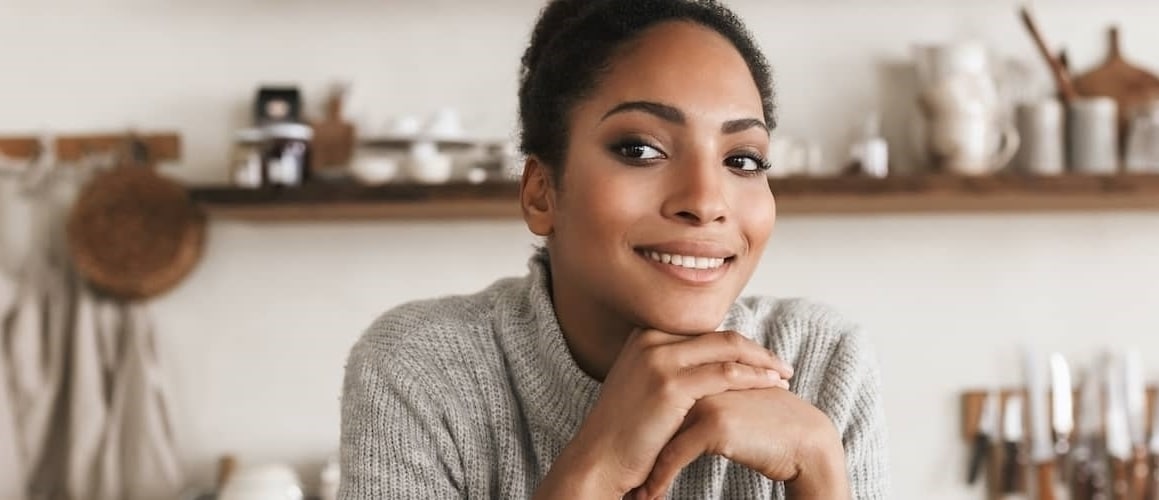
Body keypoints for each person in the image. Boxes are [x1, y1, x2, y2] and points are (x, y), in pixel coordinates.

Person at [339, 0, 890, 498]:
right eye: (640, 149)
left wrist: (820, 470)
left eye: (742, 159)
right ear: (541, 193)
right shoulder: (423, 370)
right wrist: (599, 464)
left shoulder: (822, 362)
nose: (704, 201)